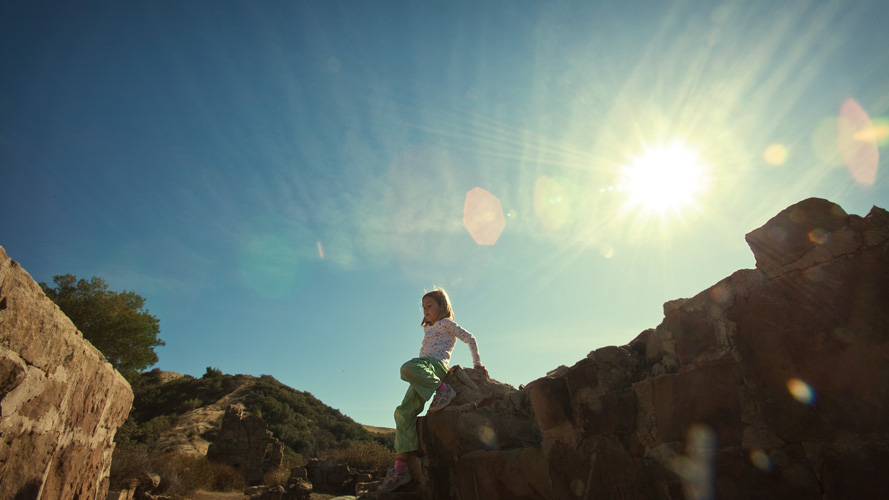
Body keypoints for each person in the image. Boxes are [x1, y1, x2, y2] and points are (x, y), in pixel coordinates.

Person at [377, 288, 488, 492]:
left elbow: (470, 338)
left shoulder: (446, 324)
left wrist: (477, 364)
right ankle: (400, 469)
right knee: (403, 412)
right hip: (424, 373)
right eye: (423, 307)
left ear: (442, 306)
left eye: (429, 306)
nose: (425, 310)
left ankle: (443, 390)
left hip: (434, 367)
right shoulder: (428, 329)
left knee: (407, 368)